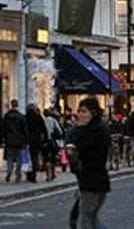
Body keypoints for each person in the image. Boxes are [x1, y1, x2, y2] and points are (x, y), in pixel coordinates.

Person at [66, 97, 111, 229]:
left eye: (84, 111)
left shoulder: (95, 130)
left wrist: (78, 132)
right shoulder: (96, 127)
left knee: (85, 219)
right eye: (79, 111)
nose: (80, 114)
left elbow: (84, 148)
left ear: (93, 112)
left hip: (92, 180)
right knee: (91, 218)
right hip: (94, 179)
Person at [2, 99, 29, 183]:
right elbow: (25, 130)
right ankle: (18, 174)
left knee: (10, 158)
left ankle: (9, 171)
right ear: (17, 105)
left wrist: (4, 138)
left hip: (9, 140)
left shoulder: (6, 116)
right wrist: (26, 140)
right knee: (19, 159)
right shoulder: (21, 116)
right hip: (19, 140)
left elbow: (3, 128)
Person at [25, 104, 48, 183]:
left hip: (27, 141)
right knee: (34, 157)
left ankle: (28, 174)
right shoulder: (38, 117)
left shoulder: (25, 117)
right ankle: (34, 175)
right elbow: (44, 130)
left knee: (27, 159)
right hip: (37, 140)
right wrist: (45, 139)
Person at [44, 109, 64, 181]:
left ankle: (47, 175)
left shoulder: (43, 120)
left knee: (46, 158)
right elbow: (59, 131)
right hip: (52, 141)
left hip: (45, 141)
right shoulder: (53, 120)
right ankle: (52, 174)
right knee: (53, 157)